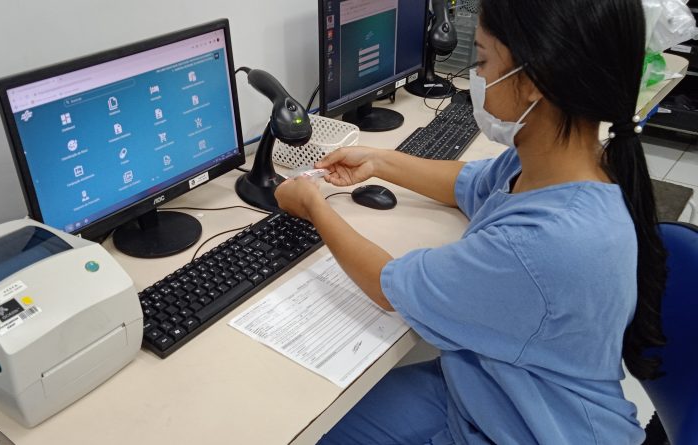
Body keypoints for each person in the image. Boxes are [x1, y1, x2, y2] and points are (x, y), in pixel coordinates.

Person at [274, 0, 668, 443]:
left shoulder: (547, 242)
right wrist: (379, 161)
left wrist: (313, 204)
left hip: (530, 428)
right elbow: (468, 182)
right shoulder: (561, 164)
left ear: (534, 81)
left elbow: (389, 286)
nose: (475, 77)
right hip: (492, 388)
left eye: (481, 60)